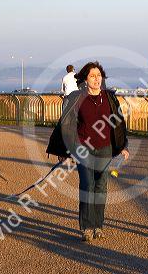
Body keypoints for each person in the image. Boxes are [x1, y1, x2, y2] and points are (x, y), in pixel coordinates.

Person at [46, 61, 129, 242]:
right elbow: (67, 125)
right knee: (87, 186)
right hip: (84, 149)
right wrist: (65, 150)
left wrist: (123, 146)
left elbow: (118, 122)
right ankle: (86, 227)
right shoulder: (77, 98)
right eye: (92, 76)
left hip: (105, 149)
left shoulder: (109, 98)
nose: (96, 79)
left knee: (101, 188)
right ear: (85, 79)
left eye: (99, 75)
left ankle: (98, 225)